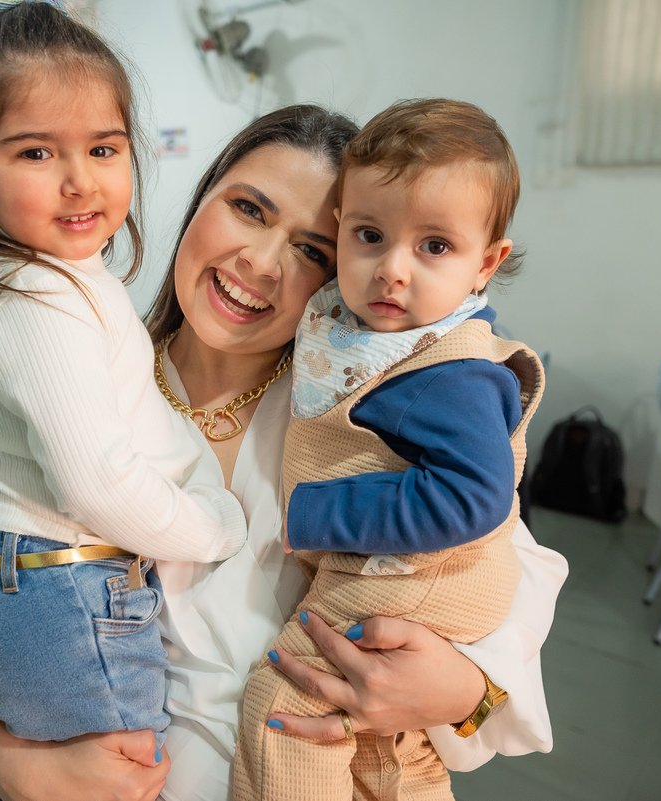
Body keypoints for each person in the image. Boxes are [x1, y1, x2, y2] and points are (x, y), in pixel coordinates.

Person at [0, 104, 568, 801]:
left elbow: (501, 595)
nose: (260, 264)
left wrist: (463, 692)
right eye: (248, 209)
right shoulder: (74, 385)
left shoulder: (366, 421)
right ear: (199, 197)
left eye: (311, 250)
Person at [0, 0, 247, 761]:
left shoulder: (37, 277)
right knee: (124, 773)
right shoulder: (43, 306)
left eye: (104, 149)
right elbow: (97, 485)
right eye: (35, 153)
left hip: (21, 579)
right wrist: (216, 524)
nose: (79, 182)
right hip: (59, 588)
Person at [234, 99, 543, 801]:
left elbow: (477, 502)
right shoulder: (352, 341)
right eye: (369, 235)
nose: (391, 270)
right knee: (378, 750)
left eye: (435, 245)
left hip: (426, 572)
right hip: (403, 571)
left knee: (285, 703)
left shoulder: (449, 370)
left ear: (486, 264)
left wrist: (318, 511)